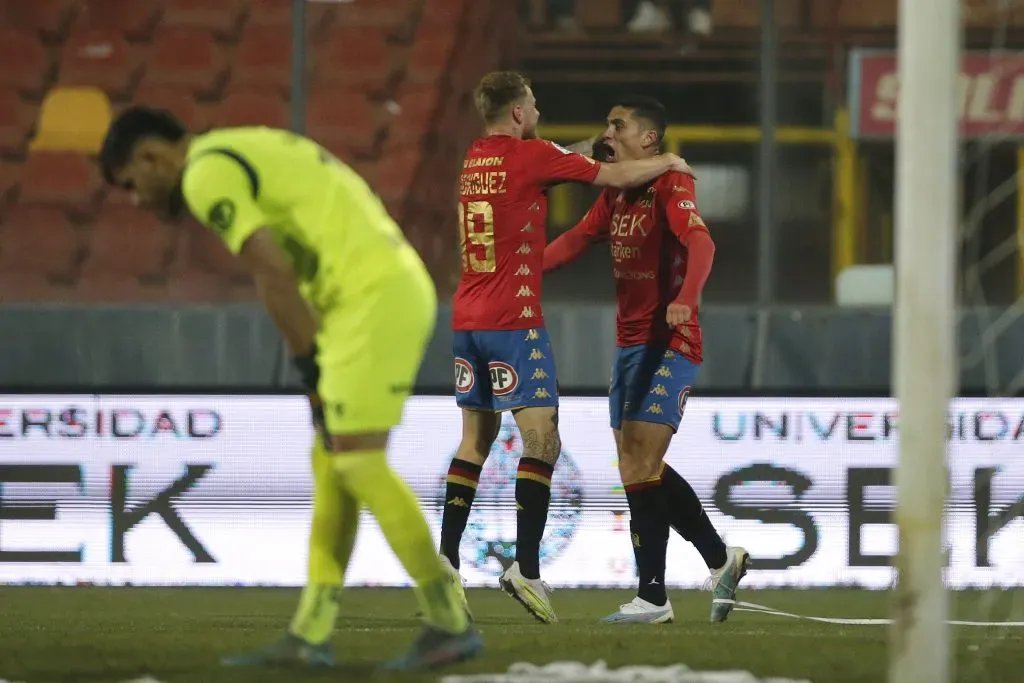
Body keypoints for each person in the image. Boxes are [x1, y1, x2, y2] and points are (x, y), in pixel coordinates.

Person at [98, 107, 482, 670]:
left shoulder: (205, 174)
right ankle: (311, 632)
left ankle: (449, 619)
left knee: (357, 461)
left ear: (152, 156)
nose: (137, 200)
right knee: (332, 461)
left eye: (132, 183)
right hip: (368, 290)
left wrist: (310, 371)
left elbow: (272, 272)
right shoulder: (240, 142)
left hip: (368, 298)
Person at [438, 71, 694, 624]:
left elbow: (561, 157)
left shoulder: (476, 158)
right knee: (542, 440)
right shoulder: (531, 158)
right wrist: (668, 164)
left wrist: (583, 148)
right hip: (514, 321)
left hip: (467, 318)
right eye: (532, 103)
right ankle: (526, 568)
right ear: (516, 114)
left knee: (474, 443)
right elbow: (609, 173)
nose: (538, 108)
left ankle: (445, 564)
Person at [544, 96, 748, 624]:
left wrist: (688, 298)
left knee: (639, 463)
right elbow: (574, 241)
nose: (607, 132)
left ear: (649, 140)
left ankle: (653, 596)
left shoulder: (671, 184)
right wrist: (517, 274)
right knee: (640, 465)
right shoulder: (617, 193)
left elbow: (701, 244)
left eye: (619, 124)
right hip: (630, 344)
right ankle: (719, 560)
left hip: (670, 342)